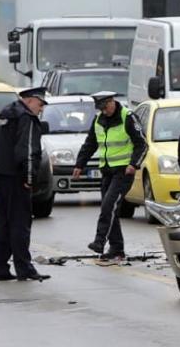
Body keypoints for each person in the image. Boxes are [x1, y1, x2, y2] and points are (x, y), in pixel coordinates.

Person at [0, 87, 51, 282]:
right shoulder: (25, 117)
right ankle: (24, 268)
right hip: (14, 176)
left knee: (3, 223)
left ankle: (0, 268)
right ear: (29, 100)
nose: (41, 109)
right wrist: (29, 178)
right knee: (20, 222)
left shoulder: (5, 113)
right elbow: (26, 149)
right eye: (40, 104)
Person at [72, 91, 147, 259]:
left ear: (112, 101)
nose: (104, 112)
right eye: (101, 109)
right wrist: (79, 164)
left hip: (123, 171)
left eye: (105, 107)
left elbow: (142, 145)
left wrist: (134, 164)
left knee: (108, 206)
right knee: (110, 209)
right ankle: (117, 248)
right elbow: (90, 143)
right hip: (106, 171)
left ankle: (99, 242)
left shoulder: (127, 116)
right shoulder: (99, 120)